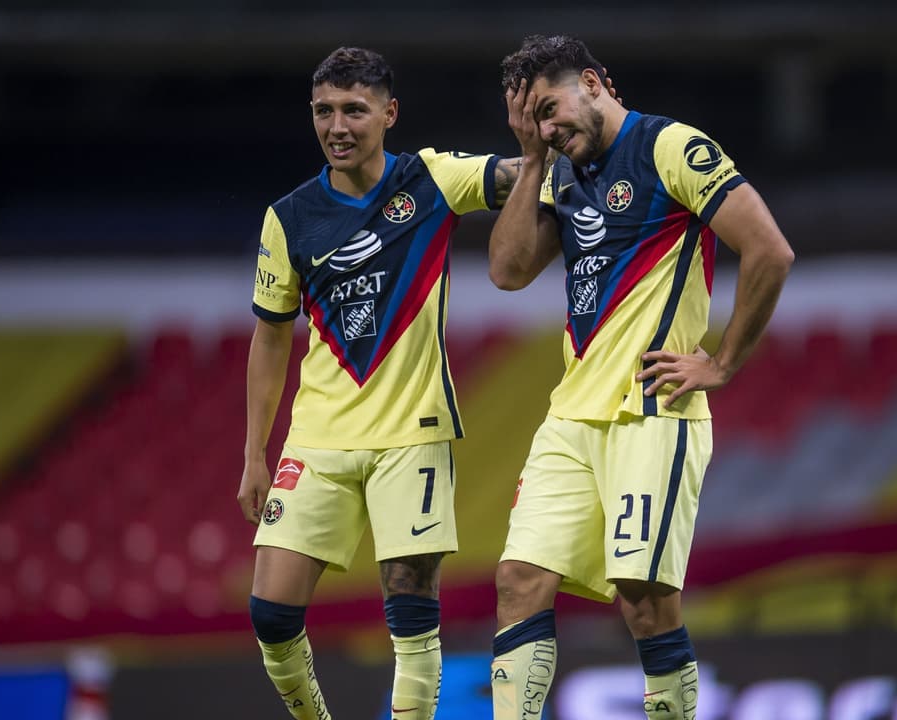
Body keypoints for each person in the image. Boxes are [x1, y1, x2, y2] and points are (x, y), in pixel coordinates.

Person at [486, 35, 795, 720]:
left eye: (550, 109)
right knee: (518, 580)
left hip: (651, 411)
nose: (546, 128)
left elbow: (769, 250)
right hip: (571, 414)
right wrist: (533, 159)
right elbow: (507, 271)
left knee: (644, 601)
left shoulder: (670, 147)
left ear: (594, 83)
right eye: (532, 120)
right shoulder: (560, 171)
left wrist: (722, 362)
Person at [237, 46, 525, 720]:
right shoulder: (289, 217)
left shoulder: (431, 179)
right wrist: (254, 452)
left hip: (412, 435)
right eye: (324, 111)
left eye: (354, 111)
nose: (337, 126)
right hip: (319, 438)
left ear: (389, 113)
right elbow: (270, 336)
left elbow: (516, 177)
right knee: (271, 613)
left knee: (411, 615)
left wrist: (541, 147)